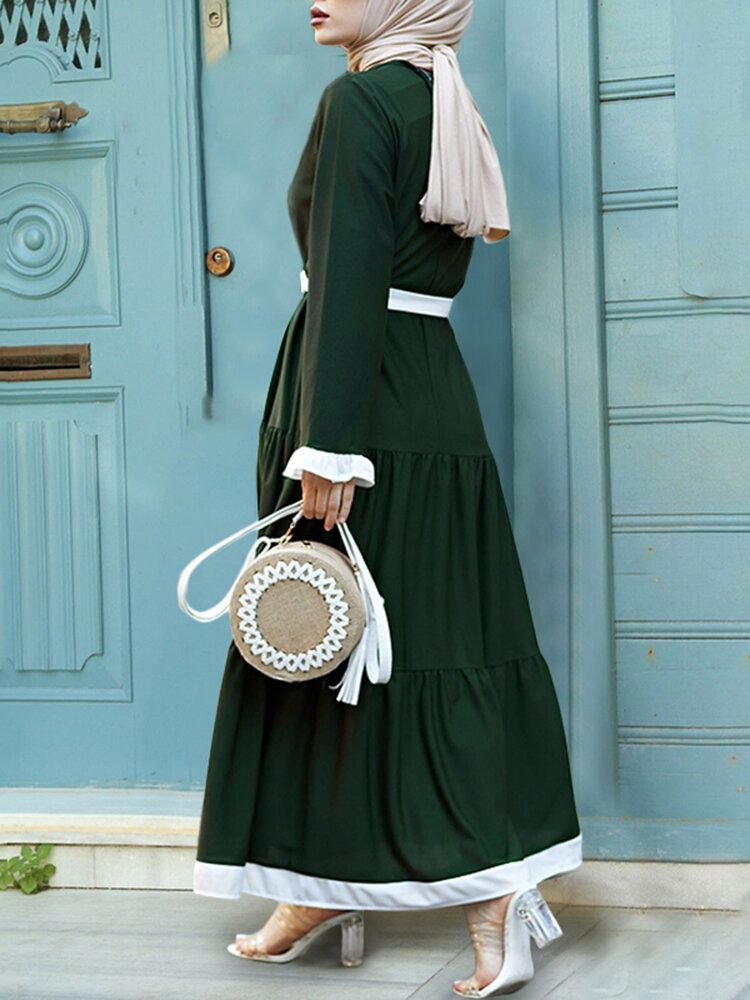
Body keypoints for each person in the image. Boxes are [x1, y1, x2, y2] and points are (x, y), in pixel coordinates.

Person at [192, 0, 582, 996]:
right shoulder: (441, 96)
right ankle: (389, 888)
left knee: (320, 633)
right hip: (431, 396)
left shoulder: (367, 99)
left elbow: (354, 273)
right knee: (432, 636)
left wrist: (328, 447)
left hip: (358, 404)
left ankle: (435, 891)